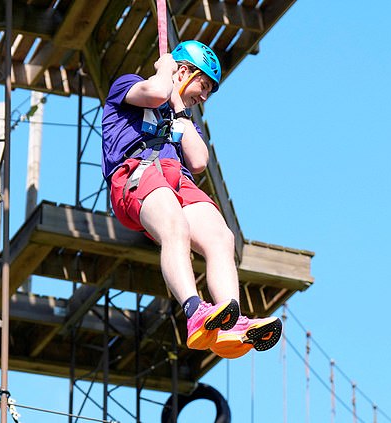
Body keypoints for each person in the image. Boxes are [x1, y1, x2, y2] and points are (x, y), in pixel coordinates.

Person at [101, 40, 282, 359]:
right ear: (184, 71)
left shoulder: (183, 120)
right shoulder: (129, 86)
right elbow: (155, 93)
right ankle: (194, 309)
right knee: (176, 228)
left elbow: (198, 161)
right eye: (203, 84)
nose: (205, 95)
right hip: (138, 169)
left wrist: (182, 115)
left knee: (220, 237)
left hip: (176, 176)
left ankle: (231, 321)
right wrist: (165, 70)